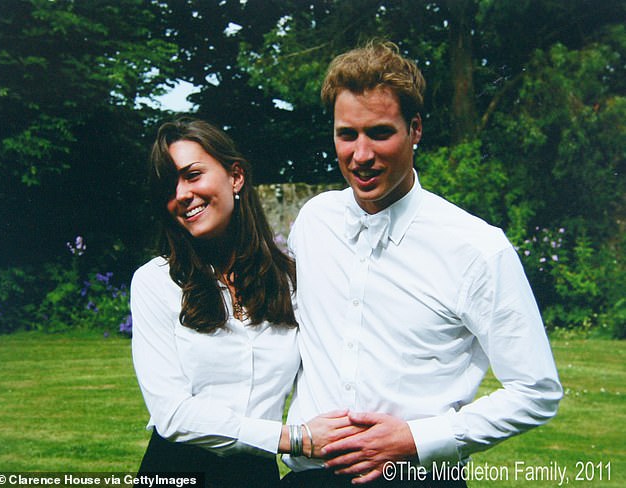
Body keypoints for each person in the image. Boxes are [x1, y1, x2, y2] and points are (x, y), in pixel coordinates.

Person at [282, 41, 563, 486]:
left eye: (379, 132)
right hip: (308, 477)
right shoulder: (314, 222)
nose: (360, 155)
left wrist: (417, 438)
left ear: (414, 130)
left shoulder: (475, 247)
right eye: (346, 134)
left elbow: (537, 391)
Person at [130, 118, 356, 487]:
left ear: (235, 177)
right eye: (169, 185)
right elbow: (172, 415)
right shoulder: (156, 282)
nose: (182, 194)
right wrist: (293, 438)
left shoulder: (290, 282)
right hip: (176, 471)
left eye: (192, 175)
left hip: (256, 477)